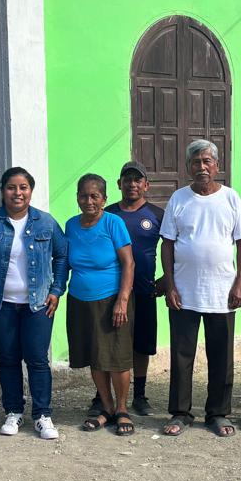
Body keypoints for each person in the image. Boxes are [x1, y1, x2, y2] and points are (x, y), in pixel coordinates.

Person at [0, 167, 68, 440]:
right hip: (1, 304)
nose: (17, 193)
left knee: (37, 359)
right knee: (9, 359)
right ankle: (13, 411)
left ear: (30, 191)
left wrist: (57, 290)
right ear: (2, 191)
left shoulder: (46, 222)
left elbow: (62, 255)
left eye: (23, 187)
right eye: (11, 187)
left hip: (38, 304)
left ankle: (42, 415)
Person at [160, 140, 241, 438]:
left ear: (216, 165)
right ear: (188, 167)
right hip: (184, 293)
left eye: (206, 161)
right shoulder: (179, 198)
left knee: (221, 355)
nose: (201, 167)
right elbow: (167, 244)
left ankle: (218, 413)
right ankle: (181, 412)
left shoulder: (230, 198)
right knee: (182, 355)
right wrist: (170, 286)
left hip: (222, 293)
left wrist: (239, 282)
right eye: (195, 162)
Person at [89, 161, 165, 417]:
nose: (132, 184)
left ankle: (139, 395)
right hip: (110, 292)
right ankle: (102, 397)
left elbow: (174, 247)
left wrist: (167, 279)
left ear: (146, 185)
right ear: (119, 184)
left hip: (144, 290)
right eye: (127, 179)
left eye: (137, 180)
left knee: (141, 346)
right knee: (107, 345)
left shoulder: (157, 214)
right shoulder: (107, 214)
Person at [66, 174, 136, 435]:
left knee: (117, 358)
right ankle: (106, 408)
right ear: (77, 198)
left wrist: (122, 301)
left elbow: (129, 263)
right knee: (95, 356)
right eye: (84, 195)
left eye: (95, 196)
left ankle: (122, 409)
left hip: (111, 300)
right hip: (80, 301)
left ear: (104, 199)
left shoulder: (113, 223)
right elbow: (64, 262)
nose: (89, 201)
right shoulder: (71, 225)